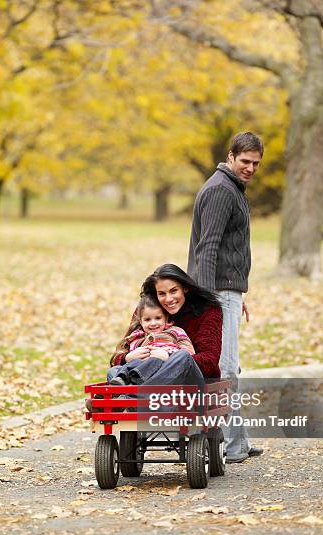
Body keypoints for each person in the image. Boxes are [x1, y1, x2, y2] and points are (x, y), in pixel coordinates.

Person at [187, 131, 264, 463]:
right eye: (245, 161)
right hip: (215, 293)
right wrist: (209, 300)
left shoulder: (230, 187)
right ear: (230, 156)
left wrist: (236, 291)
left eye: (256, 163)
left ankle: (240, 443)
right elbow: (207, 249)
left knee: (231, 368)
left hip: (226, 290)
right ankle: (231, 446)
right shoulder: (221, 190)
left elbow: (227, 251)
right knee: (225, 369)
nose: (250, 168)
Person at [109, 264, 222, 390]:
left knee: (182, 356)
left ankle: (128, 398)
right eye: (162, 293)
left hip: (192, 382)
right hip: (144, 375)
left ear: (185, 288)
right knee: (115, 370)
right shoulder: (150, 308)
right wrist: (127, 358)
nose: (168, 299)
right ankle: (126, 397)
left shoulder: (208, 311)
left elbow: (209, 361)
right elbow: (119, 352)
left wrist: (168, 360)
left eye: (174, 291)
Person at [108, 294, 195, 386]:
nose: (153, 323)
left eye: (158, 318)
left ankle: (129, 385)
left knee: (155, 359)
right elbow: (120, 357)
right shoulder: (136, 337)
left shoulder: (175, 332)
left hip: (164, 372)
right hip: (137, 369)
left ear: (166, 318)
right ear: (141, 321)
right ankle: (123, 384)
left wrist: (167, 356)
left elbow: (189, 356)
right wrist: (128, 357)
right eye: (147, 320)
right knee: (113, 370)